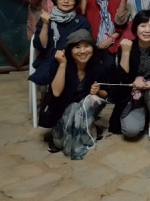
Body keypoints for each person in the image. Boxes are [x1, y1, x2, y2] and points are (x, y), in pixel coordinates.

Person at [45, 30, 108, 159]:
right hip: (61, 112)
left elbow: (105, 93)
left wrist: (97, 91)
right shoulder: (60, 62)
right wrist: (62, 65)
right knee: (59, 143)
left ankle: (87, 126)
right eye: (77, 47)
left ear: (93, 48)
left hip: (83, 109)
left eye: (87, 46)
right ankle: (72, 130)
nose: (83, 51)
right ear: (70, 50)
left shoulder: (96, 65)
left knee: (93, 99)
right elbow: (56, 92)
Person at [112, 10, 150, 140]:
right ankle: (142, 114)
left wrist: (148, 83)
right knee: (130, 131)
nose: (147, 30)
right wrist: (126, 53)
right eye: (143, 26)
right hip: (132, 96)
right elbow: (121, 78)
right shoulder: (126, 46)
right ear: (136, 28)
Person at [30, 0, 91, 86]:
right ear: (56, 0)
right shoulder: (46, 19)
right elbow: (40, 46)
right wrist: (45, 24)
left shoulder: (81, 22)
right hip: (50, 60)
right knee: (50, 72)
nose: (66, 1)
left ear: (76, 2)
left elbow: (87, 44)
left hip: (76, 61)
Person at [81, 0, 124, 72]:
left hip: (111, 44)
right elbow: (81, 17)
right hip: (90, 44)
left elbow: (122, 26)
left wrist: (110, 39)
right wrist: (84, 0)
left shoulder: (117, 2)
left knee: (109, 66)